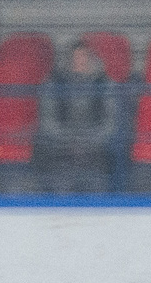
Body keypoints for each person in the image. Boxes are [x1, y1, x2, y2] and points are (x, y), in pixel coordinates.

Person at [34, 38, 119, 194]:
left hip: (95, 153)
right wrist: (69, 142)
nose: (80, 61)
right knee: (60, 188)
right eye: (76, 57)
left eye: (84, 57)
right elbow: (47, 122)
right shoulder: (53, 83)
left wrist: (87, 143)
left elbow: (110, 124)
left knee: (98, 188)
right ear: (68, 60)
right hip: (61, 152)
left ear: (91, 58)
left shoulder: (105, 84)